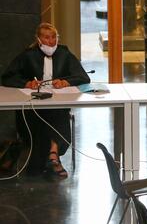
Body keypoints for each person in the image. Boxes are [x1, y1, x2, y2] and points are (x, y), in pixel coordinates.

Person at [1, 23, 91, 180]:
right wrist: (26, 83)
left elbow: (83, 77)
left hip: (57, 103)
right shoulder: (28, 55)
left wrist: (65, 82)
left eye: (53, 37)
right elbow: (8, 77)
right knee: (43, 114)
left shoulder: (64, 53)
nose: (51, 41)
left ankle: (53, 154)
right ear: (38, 39)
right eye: (46, 37)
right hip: (33, 104)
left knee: (57, 111)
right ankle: (51, 157)